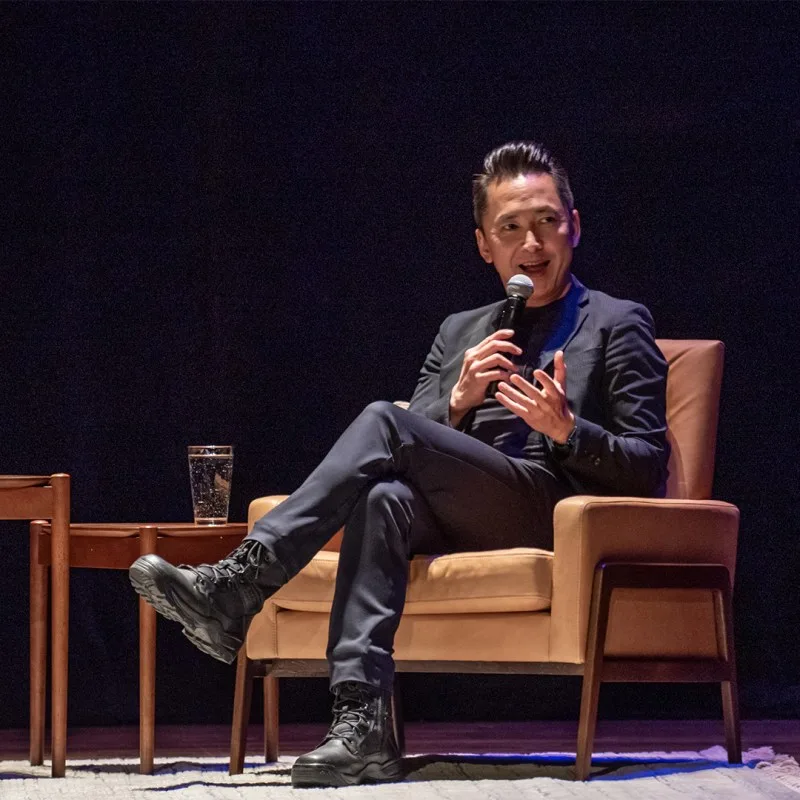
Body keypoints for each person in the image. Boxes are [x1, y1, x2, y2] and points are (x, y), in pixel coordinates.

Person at [129, 142, 669, 788]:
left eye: (547, 221)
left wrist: (567, 429)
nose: (532, 241)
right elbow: (414, 442)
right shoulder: (459, 332)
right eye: (511, 227)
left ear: (574, 226)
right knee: (384, 496)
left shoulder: (615, 323)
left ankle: (240, 584)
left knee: (384, 419)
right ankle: (362, 726)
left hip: (549, 511)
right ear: (484, 246)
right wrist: (458, 401)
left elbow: (648, 466)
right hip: (456, 508)